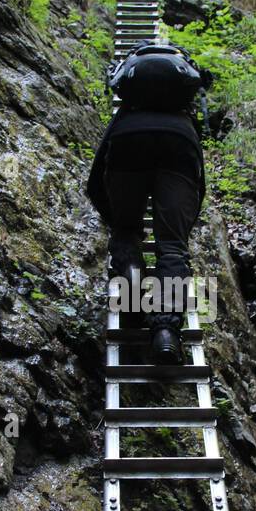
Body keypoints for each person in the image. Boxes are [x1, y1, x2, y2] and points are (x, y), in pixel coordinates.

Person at [85, 42, 212, 365]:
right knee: (171, 247)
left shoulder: (129, 102)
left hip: (128, 140)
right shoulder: (183, 101)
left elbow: (97, 177)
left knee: (127, 230)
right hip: (180, 143)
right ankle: (166, 333)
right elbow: (197, 188)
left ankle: (131, 276)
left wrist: (114, 220)